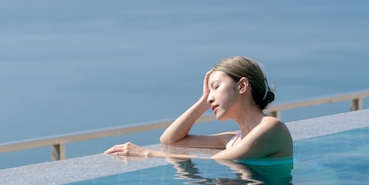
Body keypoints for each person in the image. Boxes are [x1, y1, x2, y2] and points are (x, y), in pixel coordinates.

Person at [105, 56, 293, 161]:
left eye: (216, 87)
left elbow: (221, 160)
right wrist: (203, 101)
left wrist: (146, 153)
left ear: (242, 86)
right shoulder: (232, 139)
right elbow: (169, 140)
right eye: (208, 92)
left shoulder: (272, 127)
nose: (211, 97)